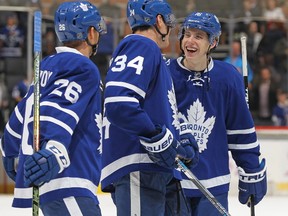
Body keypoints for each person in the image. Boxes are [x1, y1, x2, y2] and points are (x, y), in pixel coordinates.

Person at [0, 1, 107, 215]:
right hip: (69, 179)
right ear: (91, 33)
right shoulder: (84, 67)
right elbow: (59, 110)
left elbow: (24, 111)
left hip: (51, 187)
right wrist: (54, 151)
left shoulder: (47, 66)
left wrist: (9, 150)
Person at [101, 0, 198, 215]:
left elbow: (158, 112)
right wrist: (155, 137)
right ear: (159, 21)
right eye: (169, 23)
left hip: (155, 169)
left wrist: (178, 141)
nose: (171, 29)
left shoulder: (153, 57)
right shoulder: (141, 45)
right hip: (140, 165)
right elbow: (119, 104)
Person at [168, 12, 267, 215]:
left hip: (214, 184)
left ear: (212, 43)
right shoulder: (166, 73)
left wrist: (251, 169)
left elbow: (240, 130)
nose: (190, 40)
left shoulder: (228, 77)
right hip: (173, 184)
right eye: (187, 34)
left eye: (199, 36)